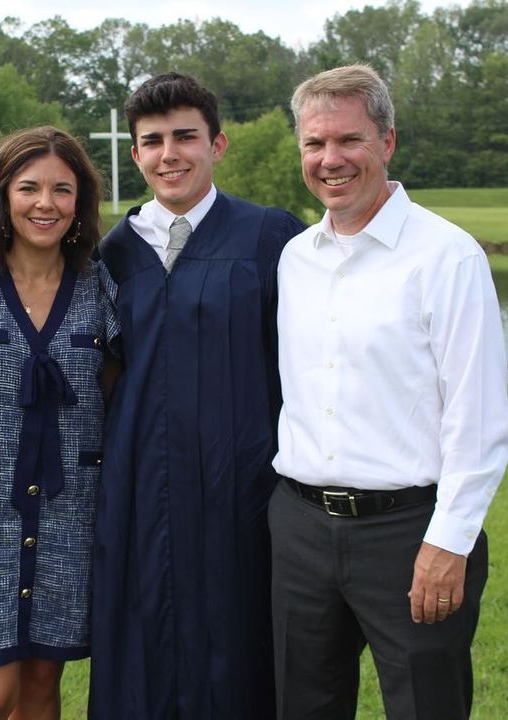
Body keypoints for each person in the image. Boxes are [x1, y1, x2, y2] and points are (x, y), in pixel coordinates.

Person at [270, 64, 508, 719]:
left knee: (425, 706)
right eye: (314, 143)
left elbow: (477, 417)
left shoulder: (447, 256)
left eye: (349, 139)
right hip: (299, 527)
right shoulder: (295, 259)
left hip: (409, 532)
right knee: (302, 706)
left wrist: (449, 541)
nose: (330, 159)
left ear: (387, 142)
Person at [90, 72, 306, 719]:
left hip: (242, 486)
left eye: (185, 137)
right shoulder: (111, 254)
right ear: (135, 154)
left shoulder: (270, 238)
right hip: (139, 488)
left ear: (218, 144)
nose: (169, 154)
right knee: (142, 642)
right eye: (153, 141)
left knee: (241, 644)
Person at [0, 126, 118, 720]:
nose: (45, 203)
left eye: (62, 190)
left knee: (40, 688)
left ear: (79, 202)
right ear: (2, 195)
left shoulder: (100, 288)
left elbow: (120, 395)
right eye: (29, 188)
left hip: (70, 517)